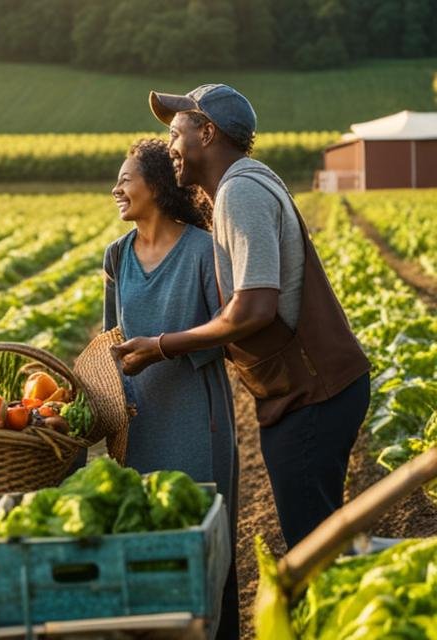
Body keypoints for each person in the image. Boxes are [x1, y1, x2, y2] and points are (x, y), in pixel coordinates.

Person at [114, 84, 371, 552]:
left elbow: (254, 308)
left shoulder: (240, 191)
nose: (170, 147)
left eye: (176, 133)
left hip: (313, 392)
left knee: (315, 549)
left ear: (207, 133)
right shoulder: (246, 182)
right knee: (322, 538)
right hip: (308, 390)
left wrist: (161, 346)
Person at [104, 139, 238, 640]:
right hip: (141, 423)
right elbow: (109, 343)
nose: (116, 188)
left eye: (125, 178)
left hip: (195, 416)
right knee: (148, 542)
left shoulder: (203, 251)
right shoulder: (116, 256)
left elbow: (227, 335)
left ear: (158, 187)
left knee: (204, 544)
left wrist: (165, 349)